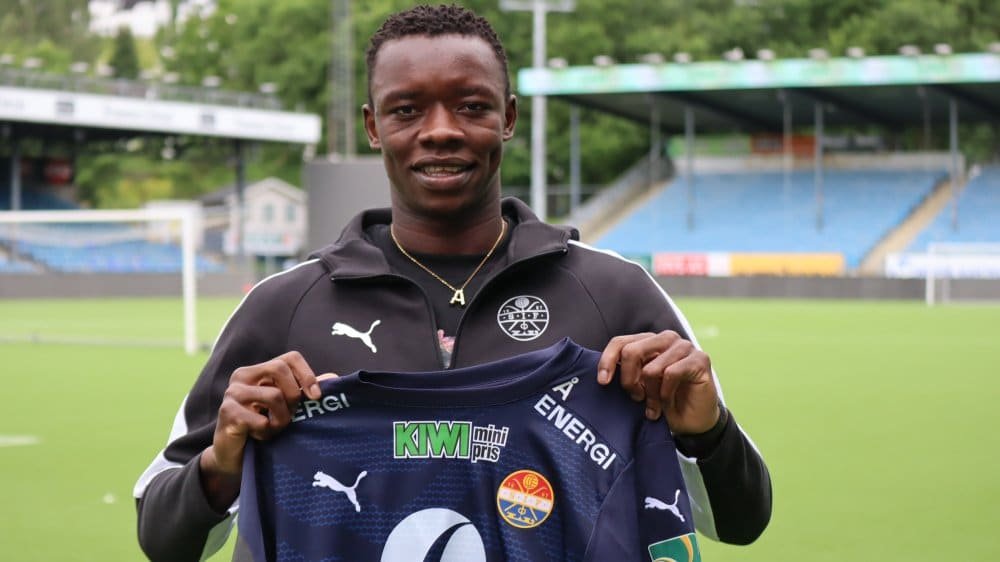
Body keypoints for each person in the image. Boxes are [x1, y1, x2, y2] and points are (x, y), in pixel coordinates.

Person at [134, 5, 771, 561]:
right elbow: (162, 537)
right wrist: (222, 464)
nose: (440, 130)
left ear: (508, 117)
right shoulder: (284, 307)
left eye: (471, 106)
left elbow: (740, 523)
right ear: (373, 126)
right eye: (407, 109)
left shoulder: (615, 293)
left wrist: (705, 431)